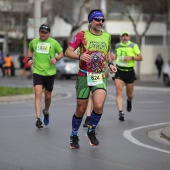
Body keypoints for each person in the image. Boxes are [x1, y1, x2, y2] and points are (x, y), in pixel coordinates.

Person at [65, 9, 117, 149]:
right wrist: (79, 56)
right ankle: (74, 134)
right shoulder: (82, 35)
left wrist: (111, 64)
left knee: (98, 105)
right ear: (90, 21)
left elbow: (107, 53)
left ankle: (91, 130)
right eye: (97, 19)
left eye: (102, 20)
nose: (100, 22)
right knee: (81, 109)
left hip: (100, 75)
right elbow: (67, 51)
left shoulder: (106, 36)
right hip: (83, 75)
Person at [27, 24, 63, 128]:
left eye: (45, 33)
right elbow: (30, 49)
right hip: (37, 71)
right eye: (41, 32)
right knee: (38, 94)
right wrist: (29, 58)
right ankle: (38, 118)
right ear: (39, 32)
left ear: (49, 33)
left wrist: (56, 59)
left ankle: (46, 112)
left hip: (49, 73)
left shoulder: (53, 42)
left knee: (47, 96)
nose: (43, 34)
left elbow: (61, 53)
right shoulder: (34, 42)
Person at [114, 31, 143, 121]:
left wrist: (131, 57)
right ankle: (120, 112)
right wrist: (111, 59)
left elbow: (140, 58)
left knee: (129, 94)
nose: (125, 37)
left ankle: (129, 100)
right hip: (119, 71)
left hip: (130, 72)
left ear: (129, 37)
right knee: (119, 92)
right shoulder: (117, 46)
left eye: (126, 36)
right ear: (120, 37)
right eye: (123, 36)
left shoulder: (133, 45)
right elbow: (115, 56)